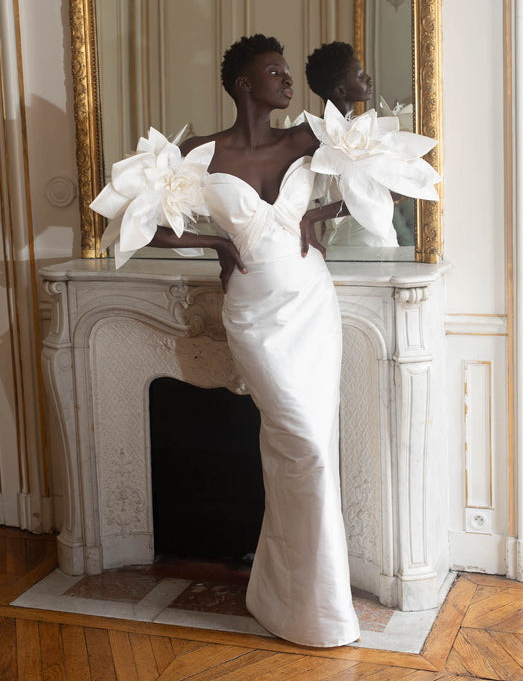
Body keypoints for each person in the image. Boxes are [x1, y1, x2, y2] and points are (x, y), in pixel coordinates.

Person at [149, 34, 361, 647]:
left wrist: (313, 219)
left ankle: (297, 603)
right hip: (255, 317)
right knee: (299, 442)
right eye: (275, 72)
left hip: (312, 308)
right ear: (245, 84)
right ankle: (291, 599)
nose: (288, 82)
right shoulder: (199, 153)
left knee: (311, 448)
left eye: (289, 72)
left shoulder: (307, 138)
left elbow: (382, 182)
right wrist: (216, 243)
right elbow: (143, 224)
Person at [305, 41, 400, 248]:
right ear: (341, 90)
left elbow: (398, 189)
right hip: (358, 241)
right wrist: (312, 216)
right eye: (359, 76)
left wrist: (314, 216)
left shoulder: (369, 129)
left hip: (381, 236)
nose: (368, 78)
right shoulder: (313, 135)